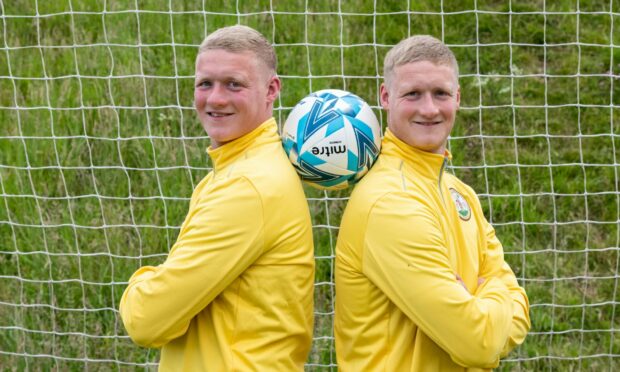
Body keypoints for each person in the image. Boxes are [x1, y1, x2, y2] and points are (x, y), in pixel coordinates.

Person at [119, 25, 315, 371]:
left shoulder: (249, 186)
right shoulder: (243, 167)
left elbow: (147, 321)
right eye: (205, 84)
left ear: (272, 89)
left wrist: (141, 282)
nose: (215, 99)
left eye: (233, 84)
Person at [334, 35, 530, 371]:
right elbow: (478, 343)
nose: (429, 108)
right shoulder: (388, 201)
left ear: (457, 97)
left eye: (440, 93)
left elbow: (523, 315)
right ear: (385, 97)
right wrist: (495, 291)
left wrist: (483, 303)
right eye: (412, 94)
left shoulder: (460, 193)